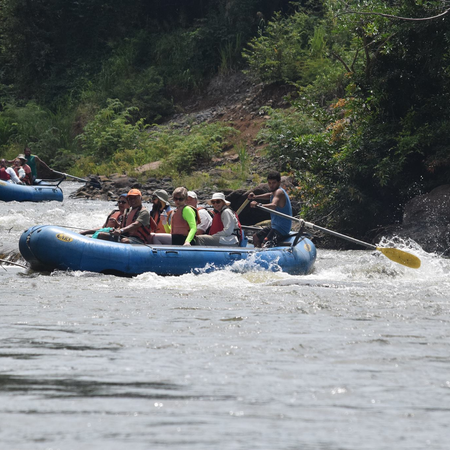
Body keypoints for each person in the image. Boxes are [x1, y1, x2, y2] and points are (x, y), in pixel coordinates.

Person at [248, 171, 293, 248]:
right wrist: (255, 197)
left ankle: (262, 254)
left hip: (281, 228)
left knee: (265, 244)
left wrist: (258, 204)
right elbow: (270, 195)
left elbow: (273, 205)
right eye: (269, 183)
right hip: (274, 226)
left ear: (279, 182)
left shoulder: (279, 192)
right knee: (256, 237)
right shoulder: (275, 192)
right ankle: (255, 256)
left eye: (274, 183)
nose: (271, 185)